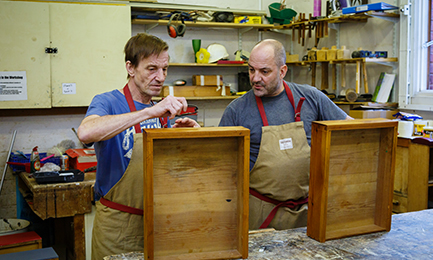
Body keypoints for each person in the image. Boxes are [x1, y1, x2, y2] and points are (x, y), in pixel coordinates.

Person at [77, 33, 200, 260]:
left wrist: (184, 137)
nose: (160, 77)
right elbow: (85, 132)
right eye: (152, 69)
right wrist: (146, 112)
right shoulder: (108, 101)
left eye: (164, 69)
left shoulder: (163, 112)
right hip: (117, 223)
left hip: (158, 219)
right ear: (130, 68)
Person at [219, 39, 352, 230]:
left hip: (308, 212)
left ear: (282, 71)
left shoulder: (311, 98)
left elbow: (353, 131)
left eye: (264, 71)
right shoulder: (236, 111)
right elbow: (221, 169)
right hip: (261, 216)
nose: (255, 78)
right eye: (251, 70)